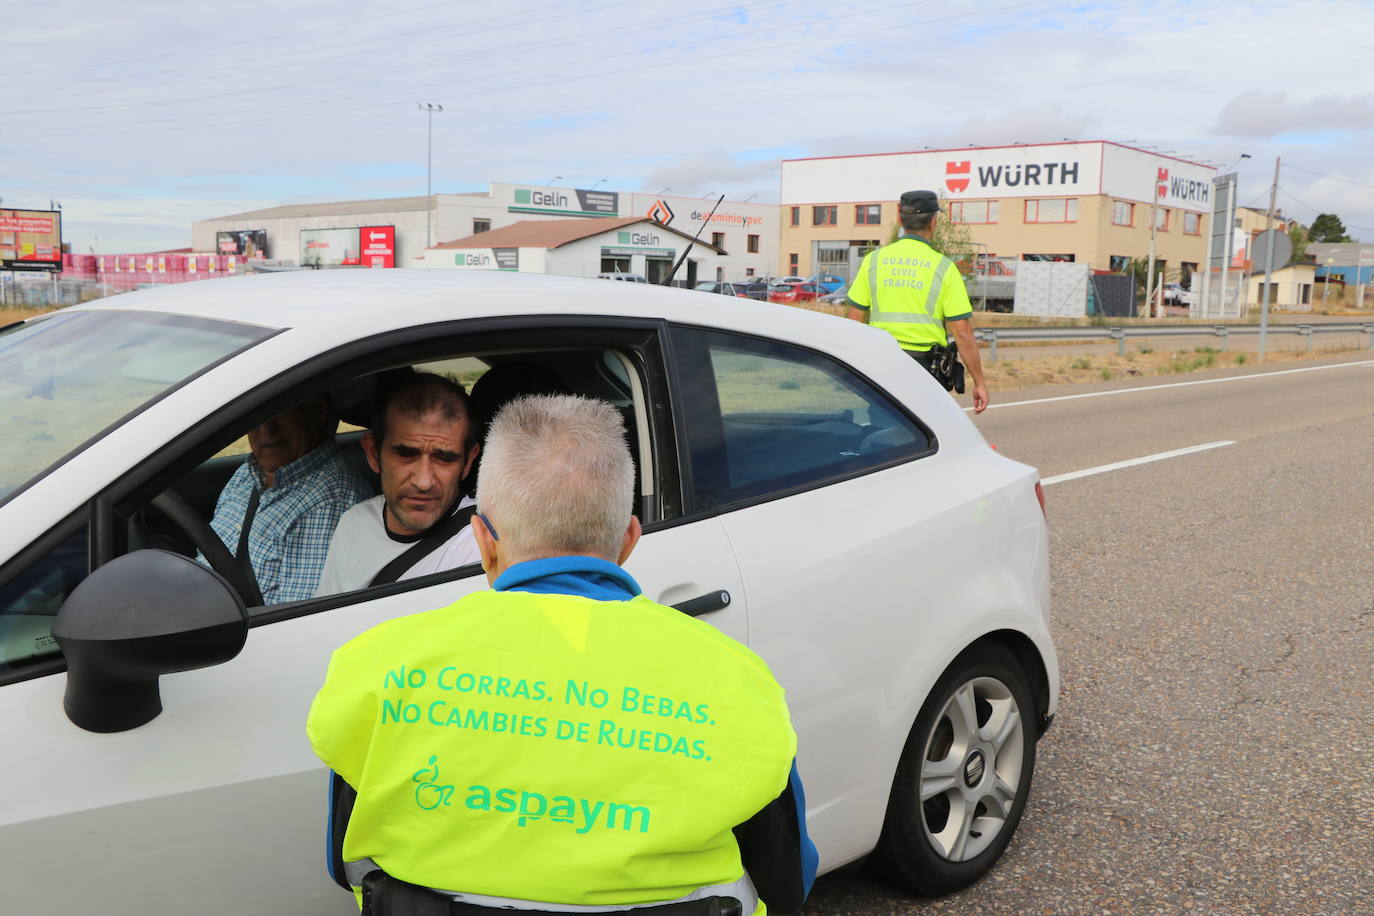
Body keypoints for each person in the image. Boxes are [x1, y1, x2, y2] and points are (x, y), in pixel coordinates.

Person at [307, 394, 816, 916]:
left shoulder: (377, 668)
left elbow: (343, 865)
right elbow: (787, 881)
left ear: (483, 541)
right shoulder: (738, 684)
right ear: (628, 541)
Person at [316, 370, 482, 595]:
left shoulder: (480, 544)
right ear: (373, 454)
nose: (423, 482)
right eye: (405, 455)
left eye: (444, 458)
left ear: (468, 462)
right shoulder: (354, 524)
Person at [207, 393, 372, 605]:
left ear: (320, 411)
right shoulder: (247, 474)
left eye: (280, 410)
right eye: (255, 414)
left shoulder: (330, 502)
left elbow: (296, 623)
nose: (266, 428)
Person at [845, 189, 990, 414]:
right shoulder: (944, 267)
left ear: (900, 219)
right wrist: (979, 382)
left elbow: (854, 320)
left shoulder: (873, 260)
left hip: (881, 362)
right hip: (926, 368)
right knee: (927, 434)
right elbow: (962, 333)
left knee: (884, 424)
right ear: (934, 221)